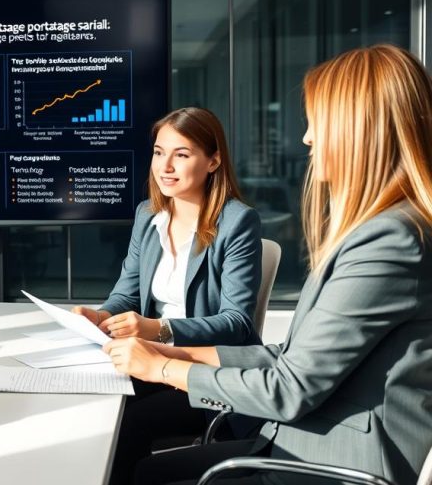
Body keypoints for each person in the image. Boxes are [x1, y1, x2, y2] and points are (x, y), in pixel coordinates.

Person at [104, 44, 432, 485]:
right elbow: (291, 358)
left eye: (316, 124)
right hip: (301, 440)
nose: (307, 139)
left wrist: (160, 366)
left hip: (332, 464)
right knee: (143, 469)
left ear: (360, 130)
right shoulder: (382, 230)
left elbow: (289, 388)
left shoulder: (389, 241)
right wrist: (170, 353)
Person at [71, 106, 263, 485]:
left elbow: (236, 324)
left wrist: (158, 328)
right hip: (149, 358)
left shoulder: (237, 222)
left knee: (127, 420)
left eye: (182, 154)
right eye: (159, 152)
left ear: (213, 161)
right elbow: (126, 293)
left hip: (203, 369)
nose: (166, 167)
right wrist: (99, 316)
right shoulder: (149, 216)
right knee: (91, 401)